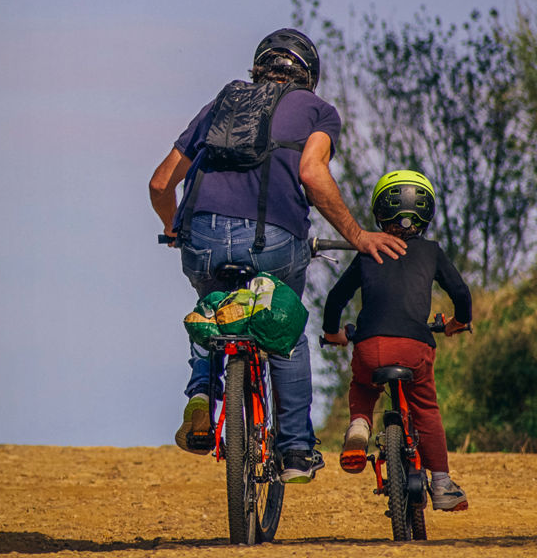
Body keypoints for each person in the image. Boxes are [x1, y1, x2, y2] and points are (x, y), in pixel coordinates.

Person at [149, 28, 406, 484]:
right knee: (284, 327)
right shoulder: (317, 111)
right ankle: (294, 451)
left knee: (214, 309)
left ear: (259, 65)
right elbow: (311, 171)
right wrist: (357, 234)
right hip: (274, 240)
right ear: (309, 75)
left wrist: (175, 228)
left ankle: (202, 399)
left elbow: (160, 182)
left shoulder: (220, 105)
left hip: (201, 238)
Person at [322, 169, 471, 511]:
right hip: (415, 347)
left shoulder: (367, 252)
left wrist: (334, 333)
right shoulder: (432, 252)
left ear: (379, 212)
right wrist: (457, 322)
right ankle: (443, 484)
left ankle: (359, 427)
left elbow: (335, 299)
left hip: (369, 345)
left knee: (363, 385)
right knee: (425, 408)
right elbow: (461, 293)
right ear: (427, 213)